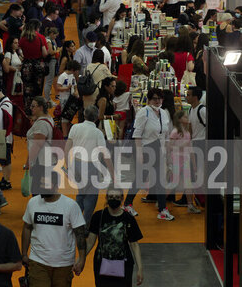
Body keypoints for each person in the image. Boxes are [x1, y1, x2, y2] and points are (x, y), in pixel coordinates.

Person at [21, 179, 87, 287]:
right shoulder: (33, 203)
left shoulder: (71, 205)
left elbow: (79, 233)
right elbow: (27, 227)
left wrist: (82, 259)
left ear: (56, 185)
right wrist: (24, 254)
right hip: (38, 261)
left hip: (64, 264)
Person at [123, 88, 174, 220]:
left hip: (159, 148)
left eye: (159, 98)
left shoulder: (163, 113)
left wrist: (168, 152)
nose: (157, 101)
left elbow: (166, 134)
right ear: (149, 99)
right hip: (147, 148)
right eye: (155, 98)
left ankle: (162, 209)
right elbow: (137, 134)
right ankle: (128, 204)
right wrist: (139, 153)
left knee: (159, 179)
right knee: (142, 178)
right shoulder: (143, 112)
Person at [65, 105, 115, 227]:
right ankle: (85, 224)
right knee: (91, 197)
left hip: (76, 163)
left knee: (81, 193)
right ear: (97, 117)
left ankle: (74, 220)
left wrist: (69, 167)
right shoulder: (97, 133)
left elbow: (67, 149)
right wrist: (112, 174)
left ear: (84, 115)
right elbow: (105, 155)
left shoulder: (75, 128)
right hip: (91, 165)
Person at [86, 185, 144, 287]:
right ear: (106, 198)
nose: (114, 200)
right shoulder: (98, 216)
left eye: (117, 197)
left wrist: (140, 268)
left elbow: (134, 245)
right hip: (102, 264)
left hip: (124, 265)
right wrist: (81, 259)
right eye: (111, 197)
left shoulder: (128, 218)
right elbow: (90, 241)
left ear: (122, 199)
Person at [169, 111, 201, 214]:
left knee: (188, 184)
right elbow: (170, 147)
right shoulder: (175, 132)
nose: (187, 119)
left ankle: (190, 205)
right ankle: (160, 201)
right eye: (185, 117)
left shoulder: (187, 133)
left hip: (186, 160)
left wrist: (194, 164)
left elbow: (190, 149)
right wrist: (183, 145)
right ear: (179, 119)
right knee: (173, 182)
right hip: (177, 160)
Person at [19, 19, 49, 114]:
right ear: (37, 28)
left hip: (26, 67)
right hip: (38, 66)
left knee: (27, 90)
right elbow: (45, 54)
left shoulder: (22, 38)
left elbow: (20, 52)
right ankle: (38, 110)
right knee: (38, 89)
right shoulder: (41, 37)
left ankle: (28, 111)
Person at [57, 60, 79, 138]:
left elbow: (75, 86)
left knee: (69, 116)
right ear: (73, 69)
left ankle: (68, 133)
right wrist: (66, 88)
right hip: (64, 98)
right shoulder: (63, 76)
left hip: (71, 99)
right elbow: (58, 87)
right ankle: (65, 135)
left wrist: (76, 92)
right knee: (64, 118)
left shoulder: (72, 76)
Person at [2, 36, 24, 106]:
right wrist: (15, 69)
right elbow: (6, 67)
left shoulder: (16, 53)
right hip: (11, 77)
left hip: (17, 76)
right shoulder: (8, 54)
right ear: (10, 44)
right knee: (12, 95)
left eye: (17, 43)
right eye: (15, 43)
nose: (17, 44)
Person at [44, 27, 61, 107]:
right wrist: (57, 51)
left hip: (53, 61)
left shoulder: (51, 40)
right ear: (51, 33)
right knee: (49, 81)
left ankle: (48, 99)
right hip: (50, 61)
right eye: (55, 35)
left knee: (49, 81)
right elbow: (50, 52)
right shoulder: (48, 40)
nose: (55, 37)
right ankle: (47, 100)